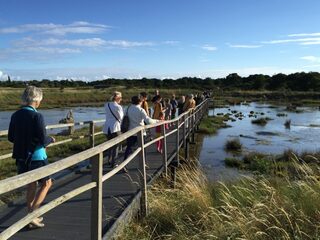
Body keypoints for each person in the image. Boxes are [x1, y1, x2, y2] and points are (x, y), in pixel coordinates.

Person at [8, 86, 55, 228]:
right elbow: (41, 139)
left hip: (22, 157)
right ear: (37, 100)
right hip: (37, 156)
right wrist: (51, 139)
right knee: (47, 183)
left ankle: (30, 215)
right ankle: (32, 215)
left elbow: (11, 137)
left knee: (31, 184)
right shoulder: (37, 116)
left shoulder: (15, 115)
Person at [124, 96, 160, 160]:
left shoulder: (127, 108)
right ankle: (143, 163)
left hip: (130, 132)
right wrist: (157, 121)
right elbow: (148, 121)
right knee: (142, 148)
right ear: (139, 102)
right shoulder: (141, 110)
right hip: (140, 132)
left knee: (129, 148)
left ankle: (124, 163)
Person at [102, 91, 124, 168]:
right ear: (117, 98)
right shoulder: (118, 107)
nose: (121, 99)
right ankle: (114, 163)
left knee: (110, 145)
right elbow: (121, 118)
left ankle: (109, 160)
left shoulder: (106, 104)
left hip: (107, 127)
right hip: (115, 127)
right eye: (120, 98)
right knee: (116, 146)